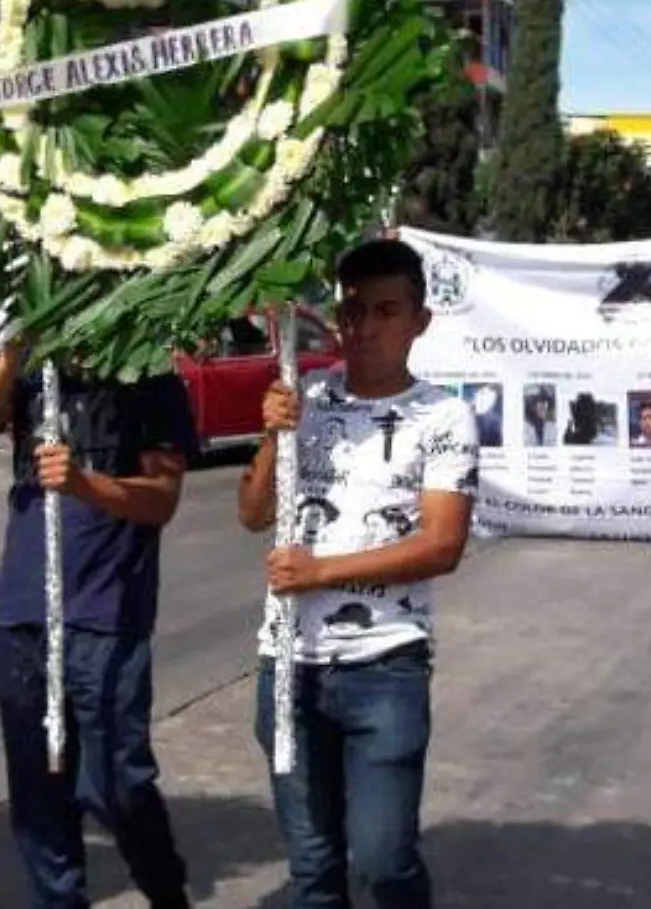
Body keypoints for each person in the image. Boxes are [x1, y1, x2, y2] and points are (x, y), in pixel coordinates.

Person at [237, 239, 479, 909]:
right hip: (287, 664)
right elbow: (253, 513)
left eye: (385, 310)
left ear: (418, 321)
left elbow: (442, 545)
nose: (366, 328)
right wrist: (270, 434)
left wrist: (321, 573)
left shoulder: (443, 416)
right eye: (353, 312)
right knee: (313, 869)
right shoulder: (305, 396)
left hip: (385, 667)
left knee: (382, 858)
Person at [0, 325, 197, 909]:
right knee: (39, 793)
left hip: (105, 609)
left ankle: (166, 891)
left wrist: (87, 485)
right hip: (24, 607)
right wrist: (18, 345)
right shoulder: (35, 372)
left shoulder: (150, 375)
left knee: (118, 785)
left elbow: (162, 498)